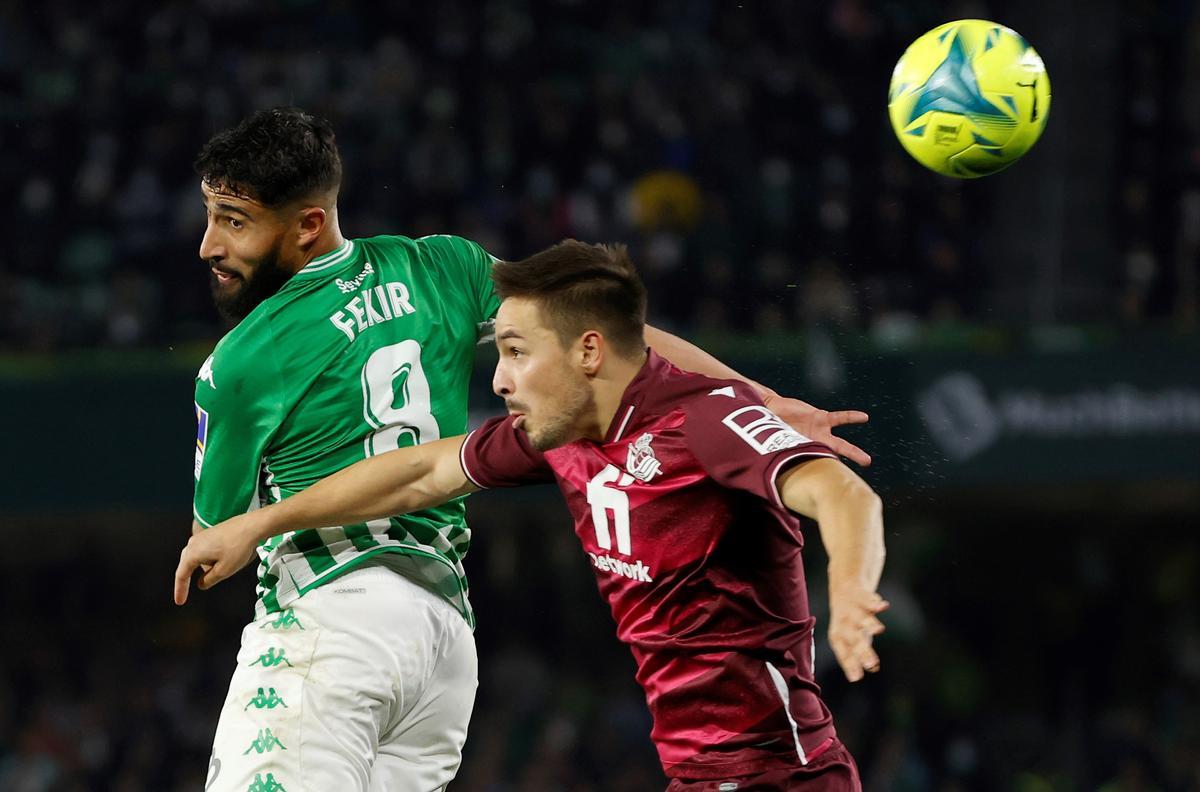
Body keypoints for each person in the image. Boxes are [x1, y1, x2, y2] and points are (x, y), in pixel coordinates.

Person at [183, 108, 874, 791]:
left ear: (307, 223)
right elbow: (445, 450)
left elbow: (209, 547)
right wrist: (752, 391)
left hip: (330, 622)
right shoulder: (444, 269)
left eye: (233, 221)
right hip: (445, 641)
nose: (209, 245)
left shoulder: (240, 362)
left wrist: (251, 524)